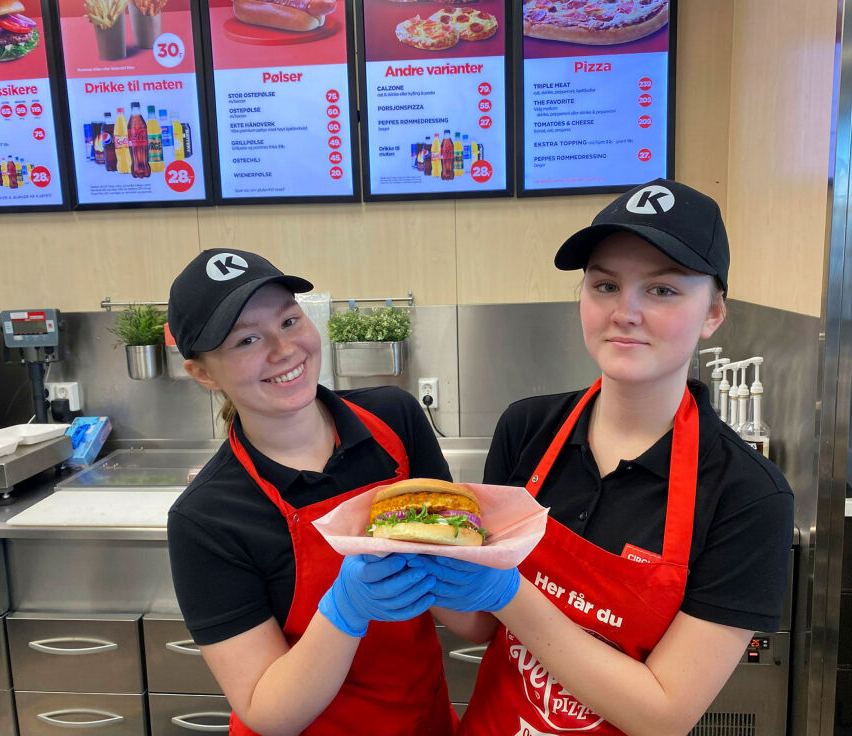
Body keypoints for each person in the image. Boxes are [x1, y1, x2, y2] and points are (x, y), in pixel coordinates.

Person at [417, 179, 795, 736]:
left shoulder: (747, 493)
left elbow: (662, 714)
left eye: (662, 290)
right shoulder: (527, 431)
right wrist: (419, 569)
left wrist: (510, 593)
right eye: (605, 285)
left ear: (713, 312)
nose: (626, 312)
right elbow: (479, 624)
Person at [164, 248, 456, 736]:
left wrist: (483, 578)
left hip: (423, 720)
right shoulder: (207, 516)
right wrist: (346, 611)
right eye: (247, 340)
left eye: (289, 320)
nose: (283, 350)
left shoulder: (395, 420)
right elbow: (266, 711)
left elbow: (465, 614)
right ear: (204, 374)